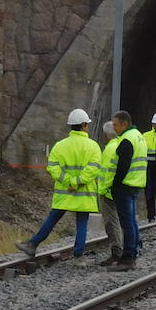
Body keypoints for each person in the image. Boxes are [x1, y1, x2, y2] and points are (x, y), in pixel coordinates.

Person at [16, 109, 103, 258]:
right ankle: (78, 256)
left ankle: (32, 245)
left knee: (52, 219)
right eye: (87, 124)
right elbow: (93, 169)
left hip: (65, 193)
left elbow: (52, 167)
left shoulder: (60, 146)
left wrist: (68, 180)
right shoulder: (93, 146)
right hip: (84, 193)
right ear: (83, 125)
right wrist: (76, 182)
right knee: (82, 224)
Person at [104, 110, 147, 271]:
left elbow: (122, 166)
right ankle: (133, 253)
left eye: (115, 125)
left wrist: (115, 186)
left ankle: (128, 258)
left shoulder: (126, 140)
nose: (113, 128)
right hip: (136, 184)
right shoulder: (139, 136)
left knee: (127, 223)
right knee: (132, 222)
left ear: (124, 124)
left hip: (125, 186)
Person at [96, 121, 124, 265]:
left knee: (111, 222)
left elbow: (107, 172)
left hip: (108, 192)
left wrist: (102, 190)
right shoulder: (122, 144)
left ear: (106, 135)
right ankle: (128, 247)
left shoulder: (109, 149)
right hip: (121, 190)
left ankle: (116, 252)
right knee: (122, 221)